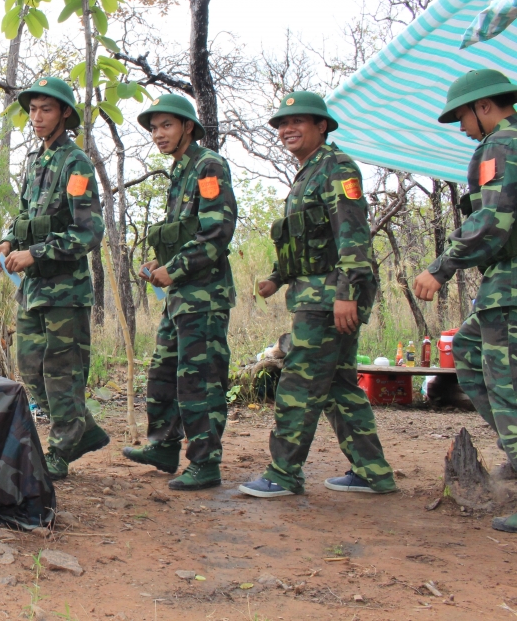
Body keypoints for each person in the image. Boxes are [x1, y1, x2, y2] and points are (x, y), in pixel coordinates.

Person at [239, 91, 397, 498]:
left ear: (321, 126)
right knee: (339, 385)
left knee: (300, 383)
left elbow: (353, 235)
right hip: (315, 290)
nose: (286, 130)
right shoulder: (308, 173)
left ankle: (283, 474)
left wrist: (346, 293)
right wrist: (277, 276)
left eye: (297, 122)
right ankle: (372, 471)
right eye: (281, 125)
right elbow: (309, 240)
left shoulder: (337, 167)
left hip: (330, 297)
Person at [411, 69, 517, 534]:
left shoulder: (500, 146)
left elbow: (492, 222)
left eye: (462, 117)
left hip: (510, 289)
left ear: (485, 106)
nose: (462, 128)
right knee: (470, 352)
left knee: (507, 383)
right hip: (503, 287)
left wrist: (441, 267)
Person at [0, 77, 107, 480]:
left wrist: (34, 253)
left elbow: (88, 231)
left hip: (65, 292)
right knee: (31, 370)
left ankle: (61, 450)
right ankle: (83, 430)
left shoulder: (76, 164)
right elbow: (23, 216)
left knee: (62, 374)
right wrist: (7, 242)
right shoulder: (37, 162)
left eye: (46, 110)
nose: (36, 118)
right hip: (33, 291)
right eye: (33, 110)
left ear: (65, 114)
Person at [120, 95, 237, 491]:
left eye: (166, 125)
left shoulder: (208, 166)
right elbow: (184, 235)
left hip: (203, 297)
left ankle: (206, 463)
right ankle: (164, 447)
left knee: (199, 380)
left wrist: (176, 269)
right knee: (164, 374)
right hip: (180, 299)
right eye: (153, 128)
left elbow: (216, 232)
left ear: (188, 126)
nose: (158, 134)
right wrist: (158, 264)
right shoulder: (179, 172)